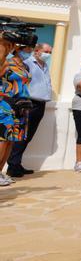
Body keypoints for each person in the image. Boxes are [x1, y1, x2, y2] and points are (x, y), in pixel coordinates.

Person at [7, 42, 53, 177]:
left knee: (29, 136)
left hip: (41, 104)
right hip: (29, 103)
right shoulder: (27, 63)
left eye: (50, 52)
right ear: (37, 51)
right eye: (46, 51)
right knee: (22, 134)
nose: (48, 55)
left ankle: (17, 163)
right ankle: (12, 166)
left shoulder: (44, 66)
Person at [0, 39, 32, 186]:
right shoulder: (7, 62)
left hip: (21, 105)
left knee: (12, 140)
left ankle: (1, 171)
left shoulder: (25, 66)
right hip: (6, 102)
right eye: (27, 48)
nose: (29, 51)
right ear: (18, 48)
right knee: (3, 139)